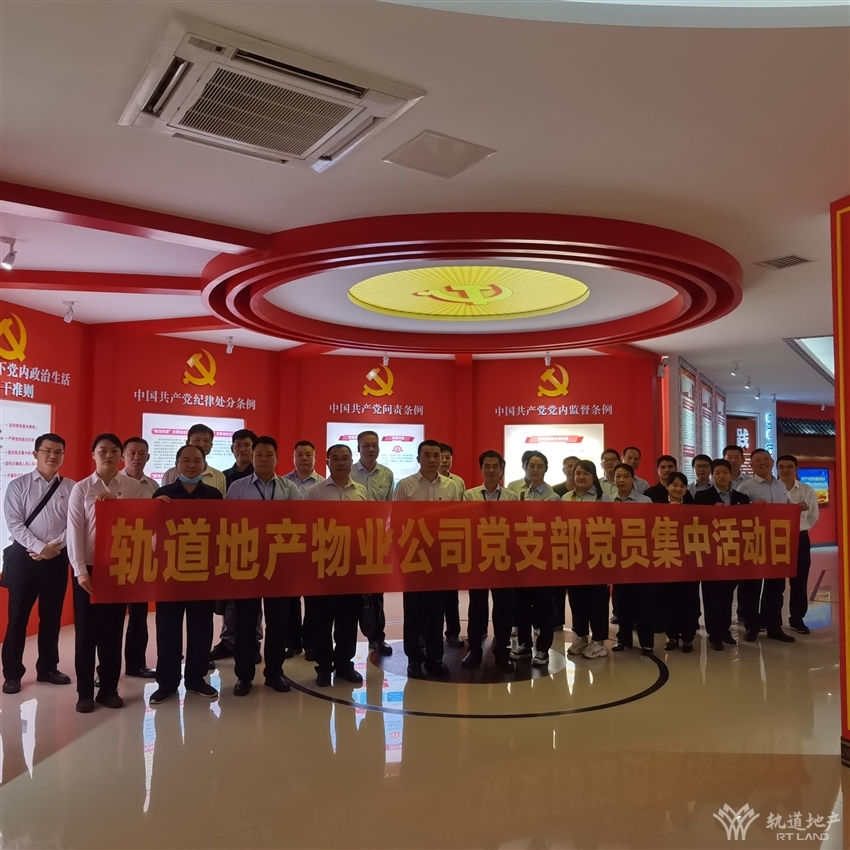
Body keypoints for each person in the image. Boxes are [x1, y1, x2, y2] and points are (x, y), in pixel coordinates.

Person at [67, 433, 145, 713]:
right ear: (93, 454)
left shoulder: (132, 487)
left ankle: (109, 689)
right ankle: (85, 693)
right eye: (103, 450)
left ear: (121, 455)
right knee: (86, 633)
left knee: (113, 631)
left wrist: (118, 503)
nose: (109, 455)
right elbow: (74, 531)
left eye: (114, 451)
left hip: (118, 566)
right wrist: (79, 570)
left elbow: (141, 521)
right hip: (88, 567)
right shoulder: (81, 488)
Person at [226, 436, 302, 696]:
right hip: (247, 562)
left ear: (277, 458)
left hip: (279, 563)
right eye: (259, 455)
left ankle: (274, 673)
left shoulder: (289, 489)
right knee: (245, 623)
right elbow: (229, 523)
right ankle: (244, 676)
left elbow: (298, 521)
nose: (264, 459)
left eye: (269, 455)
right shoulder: (237, 488)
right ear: (252, 457)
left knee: (278, 622)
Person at [2, 433, 75, 695]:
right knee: (17, 619)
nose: (52, 456)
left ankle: (47, 668)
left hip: (57, 558)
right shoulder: (18, 485)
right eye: (47, 451)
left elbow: (74, 524)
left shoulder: (70, 487)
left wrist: (53, 548)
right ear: (35, 454)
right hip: (25, 558)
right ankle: (12, 674)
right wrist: (40, 548)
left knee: (51, 617)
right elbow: (14, 523)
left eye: (58, 452)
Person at [148, 445, 221, 704]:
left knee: (201, 627)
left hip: (202, 572)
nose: (191, 465)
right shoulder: (163, 494)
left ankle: (196, 679)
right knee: (168, 628)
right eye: (186, 460)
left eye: (197, 461)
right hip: (170, 572)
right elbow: (149, 531)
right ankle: (167, 682)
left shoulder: (214, 496)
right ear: (177, 463)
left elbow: (221, 532)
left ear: (204, 464)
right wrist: (153, 509)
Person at [394, 440, 458, 678]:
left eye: (436, 455)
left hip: (440, 556)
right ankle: (413, 659)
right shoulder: (405, 485)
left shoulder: (452, 487)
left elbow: (457, 521)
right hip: (413, 555)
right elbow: (396, 521)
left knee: (436, 611)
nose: (433, 460)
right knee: (413, 611)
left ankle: (435, 658)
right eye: (427, 455)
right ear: (418, 459)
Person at [306, 444, 369, 687]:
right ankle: (324, 666)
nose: (341, 463)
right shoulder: (315, 492)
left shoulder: (361, 492)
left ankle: (344, 664)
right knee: (322, 620)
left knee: (348, 619)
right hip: (324, 565)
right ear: (327, 462)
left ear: (352, 461)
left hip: (352, 566)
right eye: (336, 459)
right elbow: (307, 527)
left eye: (345, 458)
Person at [460, 450, 517, 672]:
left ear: (502, 470)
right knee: (477, 606)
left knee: (504, 607)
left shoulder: (511, 497)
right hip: (478, 558)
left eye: (496, 466)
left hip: (504, 559)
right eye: (487, 466)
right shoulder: (470, 495)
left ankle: (502, 651)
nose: (491, 470)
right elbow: (466, 524)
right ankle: (474, 650)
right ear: (481, 469)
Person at [737, 449, 795, 643]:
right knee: (751, 587)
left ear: (772, 461)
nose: (762, 463)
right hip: (754, 541)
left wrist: (796, 509)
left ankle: (774, 627)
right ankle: (752, 626)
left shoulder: (781, 485)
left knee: (776, 587)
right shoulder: (746, 487)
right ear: (752, 465)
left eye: (765, 459)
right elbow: (736, 513)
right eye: (757, 461)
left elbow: (787, 508)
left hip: (777, 543)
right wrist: (751, 505)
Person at [212, 428, 258, 667]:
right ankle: (228, 640)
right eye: (238, 445)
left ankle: (253, 643)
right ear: (232, 449)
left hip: (257, 544)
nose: (242, 449)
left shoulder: (262, 476)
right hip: (229, 542)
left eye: (247, 445)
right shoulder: (223, 477)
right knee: (229, 597)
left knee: (253, 597)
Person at [695, 459, 750, 651]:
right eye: (717, 473)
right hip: (710, 552)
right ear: (712, 475)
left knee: (727, 594)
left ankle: (725, 630)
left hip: (732, 553)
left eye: (724, 472)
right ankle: (714, 634)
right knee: (712, 594)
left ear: (730, 474)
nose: (721, 476)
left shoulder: (741, 498)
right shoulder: (702, 496)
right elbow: (695, 521)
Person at [511, 451, 559, 668]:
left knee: (543, 607)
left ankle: (543, 649)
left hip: (543, 559)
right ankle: (524, 643)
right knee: (521, 605)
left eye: (540, 466)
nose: (535, 470)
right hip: (521, 558)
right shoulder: (518, 493)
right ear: (525, 467)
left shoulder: (553, 497)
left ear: (546, 469)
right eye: (532, 466)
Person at [349, 430, 393, 655]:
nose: (371, 449)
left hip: (376, 540)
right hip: (349, 540)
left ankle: (377, 638)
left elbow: (390, 507)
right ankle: (346, 643)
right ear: (358, 448)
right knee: (350, 593)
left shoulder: (387, 474)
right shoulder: (348, 472)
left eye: (374, 445)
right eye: (366, 445)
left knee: (376, 593)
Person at [562, 460, 612, 659]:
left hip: (597, 557)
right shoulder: (566, 498)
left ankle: (598, 642)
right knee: (576, 599)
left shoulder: (604, 499)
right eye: (577, 473)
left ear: (593, 476)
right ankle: (580, 636)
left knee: (597, 600)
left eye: (585, 473)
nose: (580, 477)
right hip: (573, 557)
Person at [118, 437, 157, 679]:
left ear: (148, 457)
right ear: (123, 456)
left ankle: (136, 664)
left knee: (139, 615)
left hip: (142, 557)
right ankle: (106, 670)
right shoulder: (112, 483)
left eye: (142, 453)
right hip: (115, 557)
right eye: (131, 452)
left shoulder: (152, 487)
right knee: (111, 618)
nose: (136, 457)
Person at [283, 440, 325, 660]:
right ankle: (292, 643)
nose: (304, 459)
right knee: (290, 598)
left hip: (315, 545)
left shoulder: (324, 484)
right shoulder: (282, 483)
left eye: (308, 455)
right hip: (289, 545)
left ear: (315, 458)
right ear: (293, 457)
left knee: (313, 599)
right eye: (300, 455)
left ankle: (311, 642)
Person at [651, 472, 699, 653]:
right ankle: (671, 636)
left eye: (682, 486)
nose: (678, 489)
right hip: (667, 559)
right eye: (674, 485)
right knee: (669, 600)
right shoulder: (658, 507)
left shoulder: (694, 507)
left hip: (689, 561)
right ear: (667, 486)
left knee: (689, 600)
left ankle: (688, 638)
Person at [610, 463, 655, 655]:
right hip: (618, 559)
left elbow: (652, 528)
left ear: (632, 479)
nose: (621, 480)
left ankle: (647, 643)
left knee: (644, 603)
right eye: (618, 476)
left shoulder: (645, 501)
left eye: (625, 476)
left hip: (641, 558)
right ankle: (624, 639)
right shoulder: (608, 501)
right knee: (621, 604)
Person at [776, 454, 820, 635]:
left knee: (800, 580)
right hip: (776, 539)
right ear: (777, 469)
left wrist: (800, 528)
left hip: (800, 538)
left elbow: (813, 515)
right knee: (775, 582)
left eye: (789, 467)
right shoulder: (772, 489)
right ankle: (772, 620)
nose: (785, 470)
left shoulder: (806, 490)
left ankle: (797, 619)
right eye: (781, 467)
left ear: (796, 469)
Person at [438, 443, 466, 648]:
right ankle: (424, 633)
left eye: (448, 457)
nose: (444, 460)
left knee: (450, 593)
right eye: (441, 457)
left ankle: (453, 631)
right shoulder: (413, 483)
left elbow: (461, 511)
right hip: (425, 542)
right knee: (426, 593)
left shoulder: (458, 482)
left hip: (450, 541)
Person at [160, 423, 226, 495]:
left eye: (206, 441)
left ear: (211, 445)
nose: (202, 444)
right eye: (197, 440)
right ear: (187, 442)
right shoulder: (170, 474)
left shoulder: (219, 476)